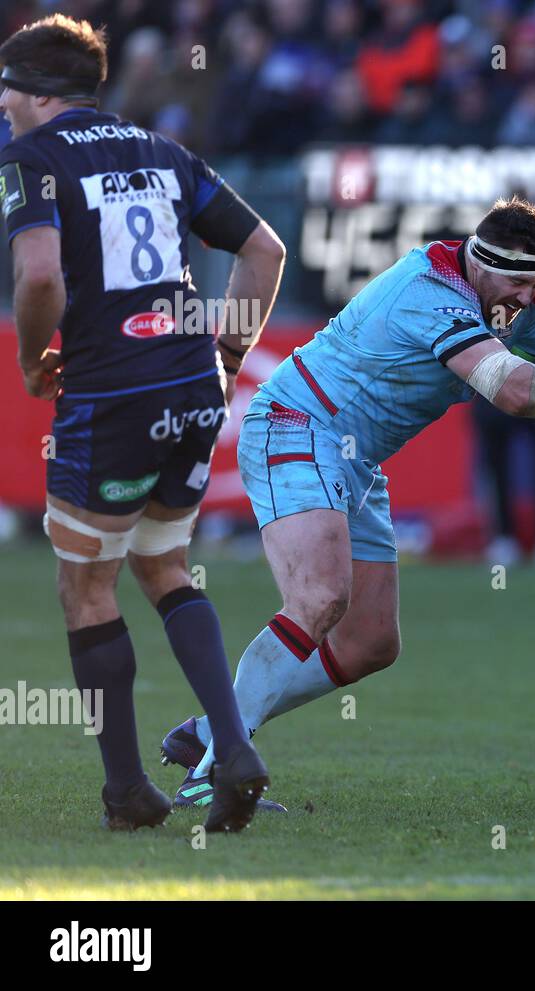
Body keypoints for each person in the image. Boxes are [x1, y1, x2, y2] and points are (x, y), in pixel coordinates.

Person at [159, 198, 535, 810]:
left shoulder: (516, 301)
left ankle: (207, 729)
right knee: (319, 598)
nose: (525, 299)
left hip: (353, 455)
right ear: (480, 262)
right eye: (516, 283)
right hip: (297, 425)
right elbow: (515, 391)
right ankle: (217, 766)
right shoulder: (428, 290)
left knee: (370, 643)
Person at [0, 14, 286, 832]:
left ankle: (127, 790)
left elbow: (41, 277)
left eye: (6, 86)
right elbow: (264, 250)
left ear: (39, 92)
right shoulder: (162, 149)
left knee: (85, 584)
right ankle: (232, 744)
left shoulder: (29, 159)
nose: (0, 102)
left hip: (111, 393)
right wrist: (228, 350)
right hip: (193, 385)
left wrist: (29, 360)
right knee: (165, 565)